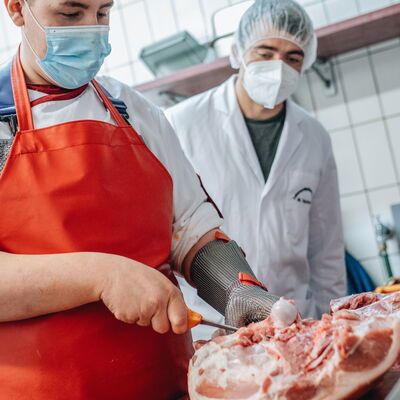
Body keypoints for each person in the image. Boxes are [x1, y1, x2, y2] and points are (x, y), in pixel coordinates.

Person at [0, 1, 281, 399]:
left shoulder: (134, 111)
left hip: (165, 385)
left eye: (102, 14)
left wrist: (236, 289)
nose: (91, 30)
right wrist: (101, 276)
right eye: (70, 14)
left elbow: (189, 229)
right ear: (16, 8)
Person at [166, 0, 347, 338]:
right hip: (213, 321)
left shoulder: (314, 137)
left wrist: (330, 328)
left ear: (305, 62)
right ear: (238, 52)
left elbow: (326, 248)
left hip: (294, 320)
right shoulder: (182, 124)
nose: (279, 67)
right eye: (265, 52)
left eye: (292, 58)